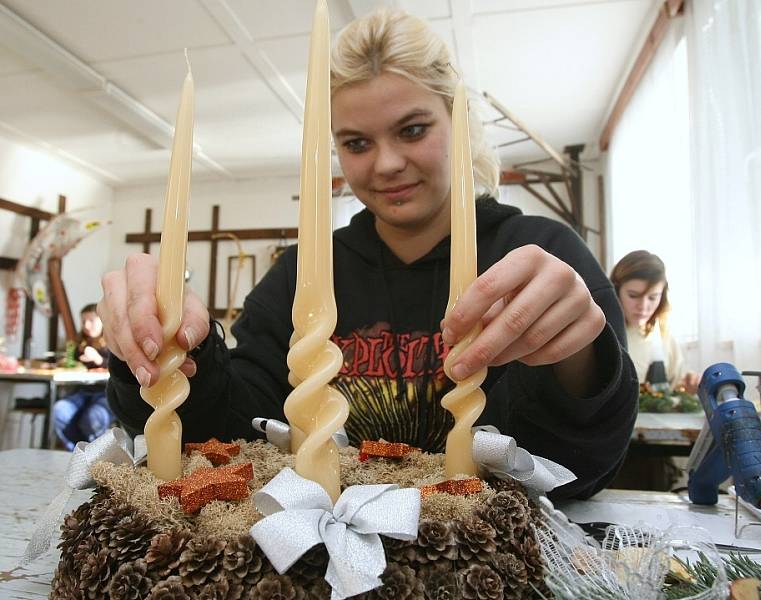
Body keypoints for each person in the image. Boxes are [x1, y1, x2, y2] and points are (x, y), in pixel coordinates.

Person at [98, 9, 638, 500]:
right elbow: (232, 431)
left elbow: (581, 471)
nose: (385, 164)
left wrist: (576, 359)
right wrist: (164, 345)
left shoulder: (539, 253)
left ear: (458, 122)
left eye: (412, 130)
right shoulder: (300, 275)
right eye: (356, 143)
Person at [610, 250, 699, 394]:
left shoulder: (662, 333)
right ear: (615, 290)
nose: (643, 307)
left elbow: (678, 383)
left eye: (653, 297)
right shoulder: (602, 333)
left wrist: (690, 382)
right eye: (633, 296)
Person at [52, 303, 114, 451]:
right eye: (83, 321)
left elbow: (121, 368)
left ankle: (94, 455)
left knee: (93, 416)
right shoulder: (79, 343)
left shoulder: (114, 342)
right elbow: (70, 362)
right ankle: (77, 452)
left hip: (105, 393)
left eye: (91, 321)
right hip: (80, 392)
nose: (86, 325)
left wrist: (99, 360)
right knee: (60, 410)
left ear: (103, 321)